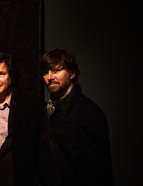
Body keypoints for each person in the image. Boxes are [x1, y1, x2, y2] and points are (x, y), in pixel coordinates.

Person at [36, 48, 113, 186]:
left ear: (72, 73)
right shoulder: (43, 111)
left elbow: (99, 169)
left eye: (56, 71)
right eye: (45, 72)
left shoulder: (89, 112)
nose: (50, 77)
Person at [0, 53, 42, 185]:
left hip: (17, 178)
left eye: (1, 74)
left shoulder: (29, 106)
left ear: (11, 76)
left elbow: (37, 148)